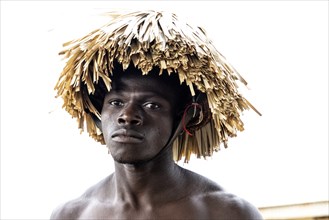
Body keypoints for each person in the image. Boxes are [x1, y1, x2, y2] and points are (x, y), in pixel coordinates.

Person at [51, 10, 263, 219]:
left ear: (187, 117)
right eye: (116, 102)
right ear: (99, 112)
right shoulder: (72, 215)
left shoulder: (228, 213)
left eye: (152, 105)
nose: (128, 115)